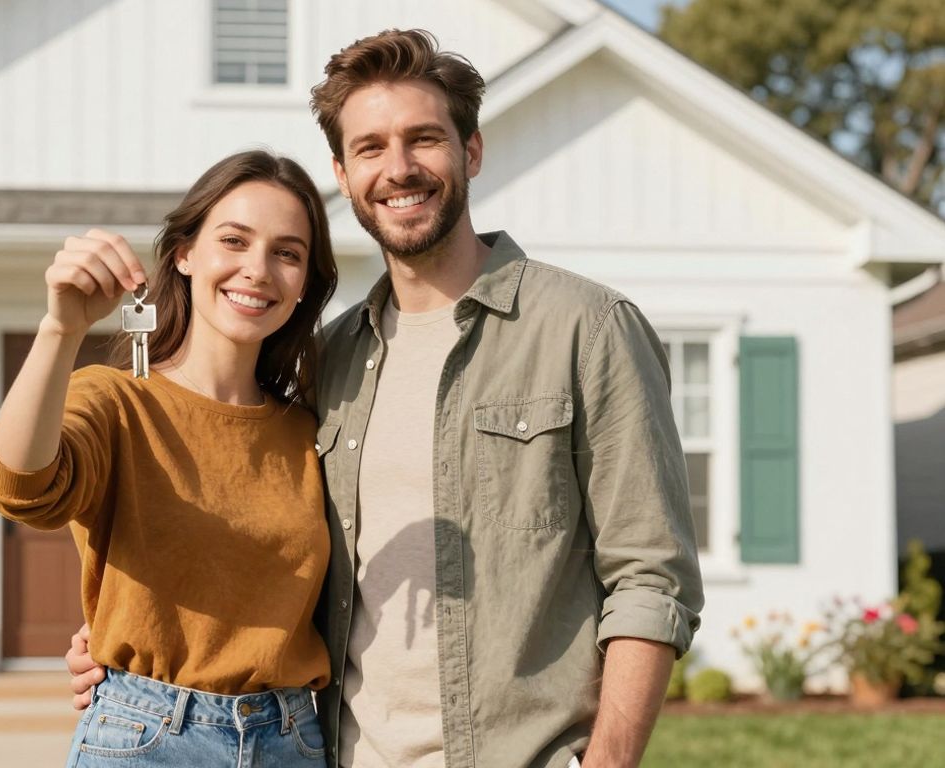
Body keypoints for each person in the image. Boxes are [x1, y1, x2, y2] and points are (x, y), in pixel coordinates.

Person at [68, 30, 705, 768]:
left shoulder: (585, 329)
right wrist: (116, 638)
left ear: (470, 152)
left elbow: (650, 576)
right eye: (370, 147)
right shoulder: (326, 360)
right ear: (343, 172)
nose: (398, 168)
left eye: (424, 139)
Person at [0, 149, 339, 766]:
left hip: (292, 740)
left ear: (305, 283)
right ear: (184, 253)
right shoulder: (116, 399)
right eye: (234, 240)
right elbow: (19, 485)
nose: (258, 269)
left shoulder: (314, 427)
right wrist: (60, 329)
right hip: (146, 738)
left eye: (287, 253)